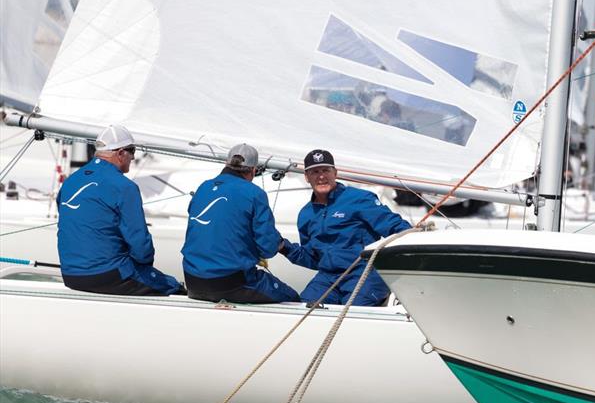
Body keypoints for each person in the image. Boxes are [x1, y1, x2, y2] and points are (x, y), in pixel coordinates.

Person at [56, 125, 184, 295]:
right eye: (132, 151)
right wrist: (146, 267)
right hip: (109, 275)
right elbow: (140, 245)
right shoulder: (124, 186)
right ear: (121, 153)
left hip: (70, 276)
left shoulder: (70, 182)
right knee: (174, 287)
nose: (133, 157)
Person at [279, 149, 411, 306]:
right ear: (307, 177)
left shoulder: (359, 199)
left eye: (325, 170)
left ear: (335, 173)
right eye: (315, 172)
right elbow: (313, 259)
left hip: (363, 274)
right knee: (301, 311)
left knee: (352, 316)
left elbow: (398, 228)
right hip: (327, 278)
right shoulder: (306, 214)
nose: (321, 176)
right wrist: (284, 247)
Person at [181, 144, 299, 303]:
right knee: (291, 297)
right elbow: (268, 249)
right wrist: (279, 244)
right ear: (253, 170)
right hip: (233, 284)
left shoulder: (203, 187)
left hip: (193, 282)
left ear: (226, 164)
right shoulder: (254, 193)